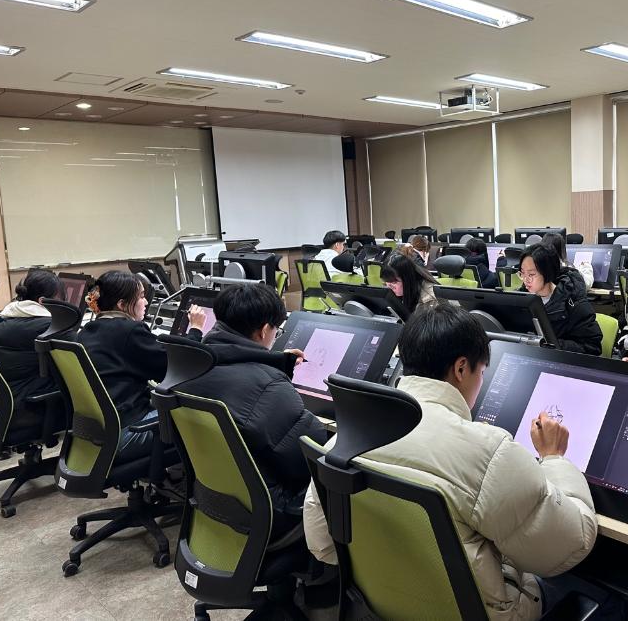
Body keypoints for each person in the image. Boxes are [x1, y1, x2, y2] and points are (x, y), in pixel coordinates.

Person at [303, 303, 598, 619]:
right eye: (481, 373)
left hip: (380, 605)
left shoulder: (345, 440)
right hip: (481, 613)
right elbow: (571, 544)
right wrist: (553, 457)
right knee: (598, 592)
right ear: (461, 369)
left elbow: (322, 544)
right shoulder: (489, 453)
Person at [178, 283, 328, 544]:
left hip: (212, 497)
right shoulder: (268, 386)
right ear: (264, 330)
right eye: (277, 330)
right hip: (271, 509)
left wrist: (274, 362)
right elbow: (308, 458)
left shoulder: (190, 364)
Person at [79, 271, 206, 462]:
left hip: (98, 431)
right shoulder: (128, 330)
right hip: (128, 432)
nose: (146, 302)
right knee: (203, 420)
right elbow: (175, 369)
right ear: (122, 304)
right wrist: (195, 329)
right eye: (141, 297)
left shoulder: (89, 330)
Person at [0, 270, 64, 428]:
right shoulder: (49, 328)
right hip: (26, 410)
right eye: (61, 299)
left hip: (0, 409)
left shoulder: (3, 321)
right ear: (43, 301)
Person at [519, 244, 601, 355]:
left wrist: (552, 345)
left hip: (560, 361)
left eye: (531, 274)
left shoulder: (574, 302)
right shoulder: (521, 299)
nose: (525, 280)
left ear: (547, 273)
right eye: (522, 273)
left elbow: (592, 347)